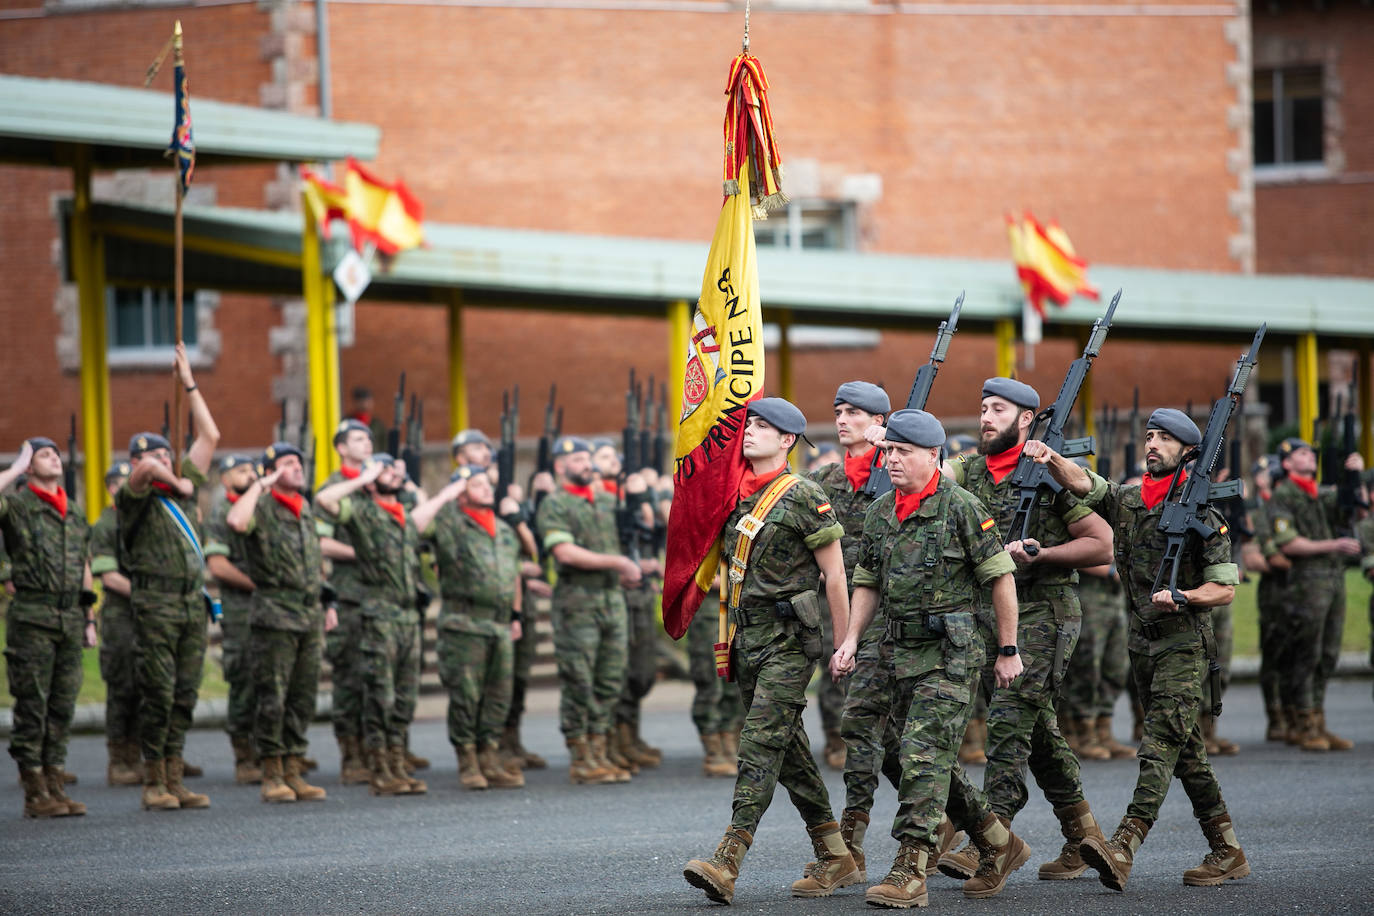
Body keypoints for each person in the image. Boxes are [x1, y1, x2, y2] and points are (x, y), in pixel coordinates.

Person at [1023, 408, 1249, 892]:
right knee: (1186, 754)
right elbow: (1086, 484)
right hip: (1141, 645)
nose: (1152, 444)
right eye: (1149, 436)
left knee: (1159, 746)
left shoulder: (1204, 516)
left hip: (1184, 645)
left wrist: (1186, 596)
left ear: (1189, 451)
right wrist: (1050, 458)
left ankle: (1123, 845)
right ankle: (1227, 849)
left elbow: (1225, 588)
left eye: (1164, 438)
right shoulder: (1129, 500)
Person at [840, 409, 1028, 908]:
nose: (893, 460)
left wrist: (1008, 650)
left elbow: (1000, 579)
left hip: (950, 654)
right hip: (897, 652)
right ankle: (996, 841)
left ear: (932, 455)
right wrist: (851, 640)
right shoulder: (882, 511)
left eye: (903, 452)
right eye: (890, 450)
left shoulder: (962, 507)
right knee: (909, 756)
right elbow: (866, 581)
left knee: (924, 755)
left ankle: (911, 869)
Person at [936, 379, 1113, 887]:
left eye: (998, 409)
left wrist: (1042, 554)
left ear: (1027, 419)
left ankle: (992, 844)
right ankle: (1085, 839)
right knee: (1038, 735)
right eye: (983, 406)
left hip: (1043, 614)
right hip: (991, 615)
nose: (986, 416)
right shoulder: (969, 469)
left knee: (1009, 726)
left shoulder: (1046, 475)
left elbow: (1102, 545)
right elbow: (937, 475)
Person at [682, 398, 855, 904]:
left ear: (787, 441)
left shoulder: (804, 494)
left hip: (789, 643)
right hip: (746, 640)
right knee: (790, 751)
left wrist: (844, 643)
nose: (751, 432)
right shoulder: (732, 497)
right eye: (749, 424)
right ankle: (835, 852)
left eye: (764, 427)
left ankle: (728, 857)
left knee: (759, 742)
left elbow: (835, 573)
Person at [119, 344, 220, 811]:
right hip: (155, 604)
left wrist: (190, 383)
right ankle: (152, 779)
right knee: (157, 691)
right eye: (154, 453)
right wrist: (165, 470)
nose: (162, 457)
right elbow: (141, 473)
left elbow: (211, 434)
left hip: (189, 603)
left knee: (185, 692)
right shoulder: (137, 499)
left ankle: (175, 775)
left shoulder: (185, 492)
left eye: (165, 450)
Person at [316, 454, 432, 796]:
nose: (392, 475)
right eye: (384, 472)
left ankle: (397, 762)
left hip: (408, 616)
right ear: (369, 480)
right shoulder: (363, 512)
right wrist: (361, 478)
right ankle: (380, 767)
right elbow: (324, 500)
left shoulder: (404, 517)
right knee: (380, 695)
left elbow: (428, 512)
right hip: (379, 615)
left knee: (405, 696)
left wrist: (410, 482)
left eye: (394, 471)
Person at [535, 437, 644, 785]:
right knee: (580, 680)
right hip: (577, 604)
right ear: (559, 467)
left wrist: (640, 496)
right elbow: (564, 552)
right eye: (577, 459)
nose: (586, 464)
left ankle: (600, 749)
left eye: (587, 458)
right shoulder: (555, 504)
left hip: (611, 601)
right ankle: (581, 756)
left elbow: (640, 531)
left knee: (609, 679)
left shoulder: (611, 502)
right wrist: (618, 563)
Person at [226, 442, 330, 803]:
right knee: (273, 697)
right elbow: (236, 522)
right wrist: (259, 485)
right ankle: (271, 772)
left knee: (303, 698)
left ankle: (293, 769)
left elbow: (315, 560)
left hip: (309, 613)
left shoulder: (306, 510)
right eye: (288, 463)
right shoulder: (263, 507)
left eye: (299, 462)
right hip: (274, 613)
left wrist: (325, 600)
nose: (298, 468)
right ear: (270, 471)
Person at [1, 438, 95, 817]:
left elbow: (83, 565)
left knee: (61, 705)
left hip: (70, 617)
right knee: (33, 706)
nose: (53, 456)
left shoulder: (73, 511)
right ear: (28, 466)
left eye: (55, 452)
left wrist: (89, 618)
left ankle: (55, 784)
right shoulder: (19, 506)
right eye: (43, 453)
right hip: (33, 616)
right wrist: (15, 467)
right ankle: (34, 792)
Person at [425, 465, 525, 789]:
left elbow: (515, 572)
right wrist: (446, 496)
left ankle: (489, 757)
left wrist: (515, 615)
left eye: (487, 483)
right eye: (476, 484)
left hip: (498, 622)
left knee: (499, 695)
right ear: (461, 492)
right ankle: (467, 761)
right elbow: (414, 528)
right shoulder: (450, 522)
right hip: (465, 622)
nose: (486, 488)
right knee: (466, 695)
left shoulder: (504, 529)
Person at [807, 381, 889, 775]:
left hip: (887, 597)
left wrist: (891, 447)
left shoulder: (899, 471)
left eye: (853, 413)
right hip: (836, 596)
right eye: (838, 412)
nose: (842, 420)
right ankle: (838, 739)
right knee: (836, 663)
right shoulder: (824, 480)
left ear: (878, 421)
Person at [1268, 436, 1365, 751]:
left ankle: (1319, 720)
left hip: (1332, 579)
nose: (1310, 456)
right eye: (1302, 453)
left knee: (1328, 653)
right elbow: (1288, 542)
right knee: (1306, 653)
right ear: (1287, 463)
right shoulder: (1284, 495)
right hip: (1307, 580)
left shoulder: (1322, 493)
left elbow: (1356, 511)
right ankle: (1303, 723)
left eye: (1311, 452)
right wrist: (1332, 545)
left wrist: (1355, 476)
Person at [316, 418, 375, 785]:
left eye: (368, 438)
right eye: (357, 438)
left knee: (379, 679)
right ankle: (352, 755)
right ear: (341, 447)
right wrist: (361, 553)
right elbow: (320, 542)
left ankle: (379, 749)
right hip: (349, 596)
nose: (366, 443)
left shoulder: (379, 483)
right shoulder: (334, 488)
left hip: (382, 598)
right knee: (350, 678)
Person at [205, 454, 261, 784]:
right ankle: (245, 757)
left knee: (271, 680)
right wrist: (259, 585)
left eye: (253, 469)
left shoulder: (260, 508)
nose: (251, 475)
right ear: (226, 479)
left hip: (270, 609)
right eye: (242, 471)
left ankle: (270, 751)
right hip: (241, 610)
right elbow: (218, 566)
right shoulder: (222, 514)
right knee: (244, 680)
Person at [90, 460, 143, 787]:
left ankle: (140, 755)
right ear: (111, 488)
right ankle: (119, 760)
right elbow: (109, 577)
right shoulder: (106, 523)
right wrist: (148, 594)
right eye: (120, 482)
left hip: (145, 615)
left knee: (146, 687)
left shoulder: (141, 518)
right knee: (122, 688)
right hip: (121, 616)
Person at [348, 386, 388, 455]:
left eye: (367, 401)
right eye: (361, 401)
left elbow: (384, 446)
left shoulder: (377, 424)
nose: (364, 404)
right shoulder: (348, 422)